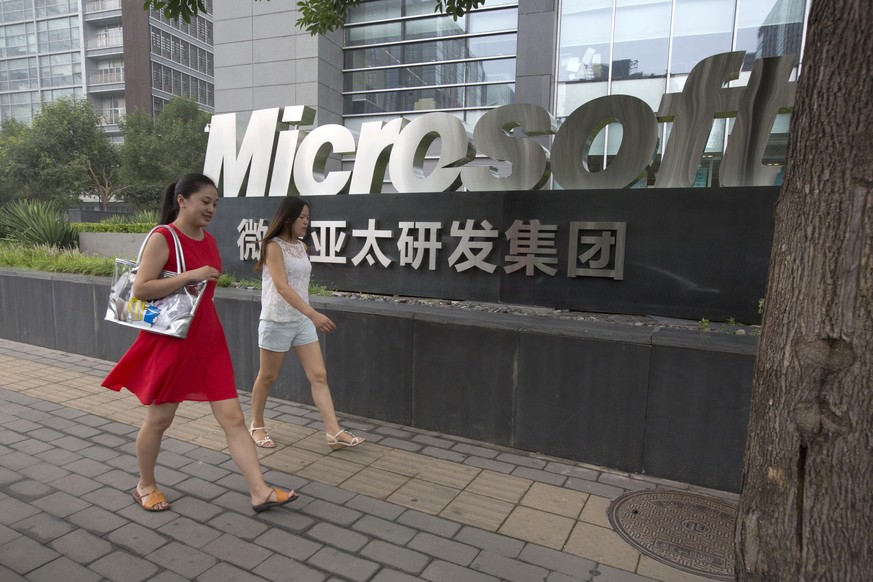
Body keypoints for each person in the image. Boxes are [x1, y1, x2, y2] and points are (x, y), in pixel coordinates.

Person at [102, 173, 297, 513]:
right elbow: (141, 289)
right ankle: (145, 484)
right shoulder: (164, 237)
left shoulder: (207, 239)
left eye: (215, 204)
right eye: (206, 202)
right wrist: (190, 275)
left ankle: (259, 491)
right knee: (160, 420)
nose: (211, 209)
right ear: (182, 200)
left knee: (234, 418)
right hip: (172, 342)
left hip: (208, 340)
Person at [248, 197, 364, 451]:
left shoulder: (301, 247)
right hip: (277, 319)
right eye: (301, 218)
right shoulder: (273, 246)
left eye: (307, 218)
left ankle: (333, 431)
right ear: (287, 218)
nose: (305, 222)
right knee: (268, 376)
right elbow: (281, 287)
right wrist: (314, 314)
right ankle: (256, 425)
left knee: (319, 375)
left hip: (300, 321)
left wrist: (307, 315)